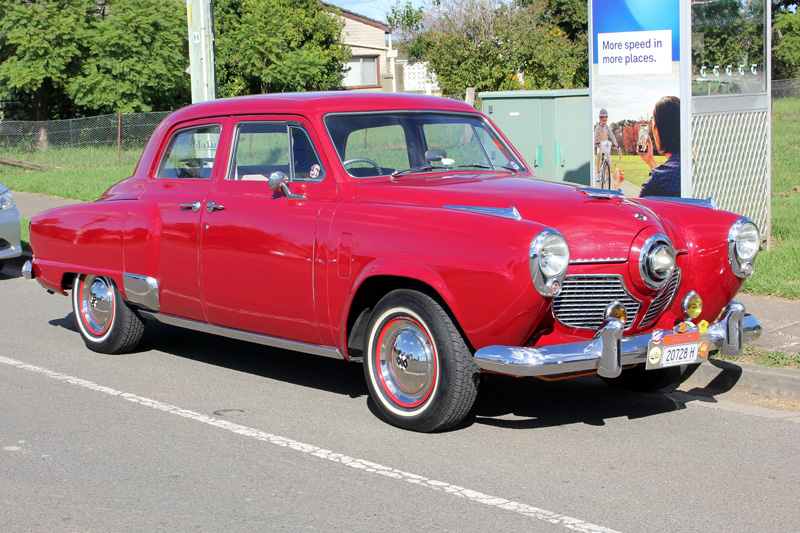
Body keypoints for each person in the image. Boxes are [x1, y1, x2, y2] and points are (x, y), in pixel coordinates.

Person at [639, 96, 681, 197]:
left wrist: (617, 185)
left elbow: (637, 207)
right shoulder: (696, 167)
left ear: (658, 130)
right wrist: (650, 160)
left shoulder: (656, 181)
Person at [594, 108, 618, 186]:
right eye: (603, 120)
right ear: (600, 119)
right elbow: (595, 135)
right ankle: (598, 173)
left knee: (609, 159)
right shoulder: (598, 128)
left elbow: (612, 135)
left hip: (606, 146)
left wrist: (615, 142)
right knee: (599, 155)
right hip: (600, 145)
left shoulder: (607, 127)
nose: (604, 122)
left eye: (605, 120)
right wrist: (594, 141)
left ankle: (607, 173)